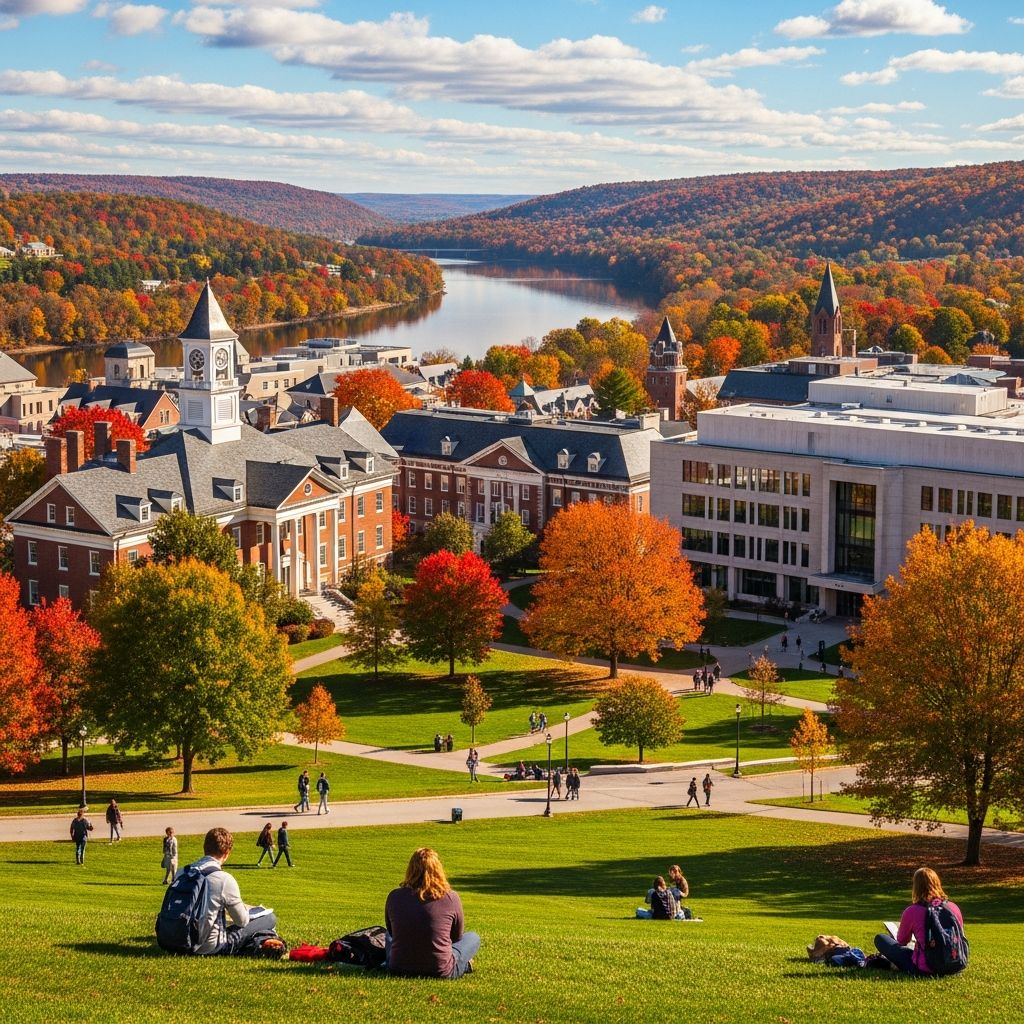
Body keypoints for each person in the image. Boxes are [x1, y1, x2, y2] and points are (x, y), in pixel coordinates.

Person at [385, 847, 480, 979]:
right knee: (473, 937)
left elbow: (391, 932)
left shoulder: (394, 896)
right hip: (439, 969)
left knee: (386, 935)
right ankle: (463, 965)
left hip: (398, 967)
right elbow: (457, 936)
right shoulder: (451, 897)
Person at [187, 827, 277, 955]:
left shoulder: (183, 872)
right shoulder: (223, 879)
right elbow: (242, 921)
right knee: (269, 918)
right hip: (208, 946)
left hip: (178, 939)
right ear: (227, 852)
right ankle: (265, 940)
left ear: (205, 847)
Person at [874, 866, 965, 975]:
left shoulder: (912, 911)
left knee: (881, 938)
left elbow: (902, 940)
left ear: (916, 887)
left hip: (925, 968)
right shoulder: (953, 907)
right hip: (955, 965)